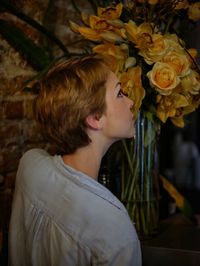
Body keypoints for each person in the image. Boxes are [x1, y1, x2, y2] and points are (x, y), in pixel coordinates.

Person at [9, 55, 142, 265]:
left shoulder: (30, 166)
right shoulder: (115, 231)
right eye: (119, 94)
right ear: (95, 118)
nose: (131, 101)